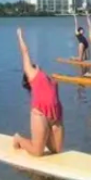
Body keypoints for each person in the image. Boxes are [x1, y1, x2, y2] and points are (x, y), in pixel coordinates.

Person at [14, 27, 64, 157]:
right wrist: (20, 35)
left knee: (57, 151)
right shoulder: (33, 74)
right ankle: (19, 139)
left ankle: (42, 138)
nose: (34, 64)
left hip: (56, 115)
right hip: (40, 114)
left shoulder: (48, 77)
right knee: (37, 152)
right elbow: (24, 52)